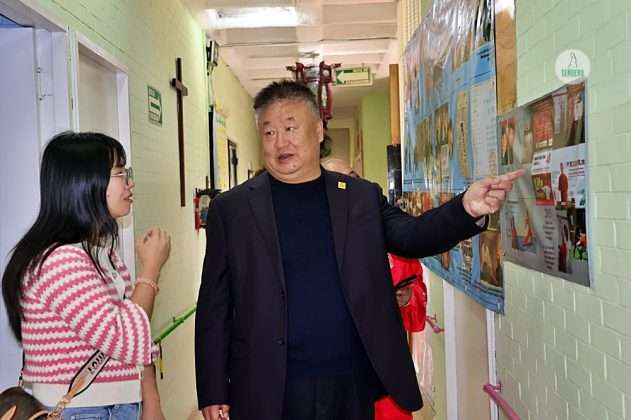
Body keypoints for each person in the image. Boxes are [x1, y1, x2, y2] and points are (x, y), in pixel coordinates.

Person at [195, 80, 523, 420]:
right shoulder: (232, 209)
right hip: (268, 385)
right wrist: (213, 388)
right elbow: (214, 306)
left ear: (318, 130)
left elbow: (411, 236)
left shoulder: (358, 197)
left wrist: (465, 209)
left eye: (290, 128)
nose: (280, 142)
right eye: (269, 132)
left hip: (350, 381)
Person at [1, 132, 171, 420]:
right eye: (119, 173)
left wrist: (151, 400)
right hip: (81, 410)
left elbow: (138, 337)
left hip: (113, 407)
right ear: (84, 183)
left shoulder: (101, 254)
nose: (130, 183)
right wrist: (151, 270)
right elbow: (124, 336)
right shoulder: (60, 260)